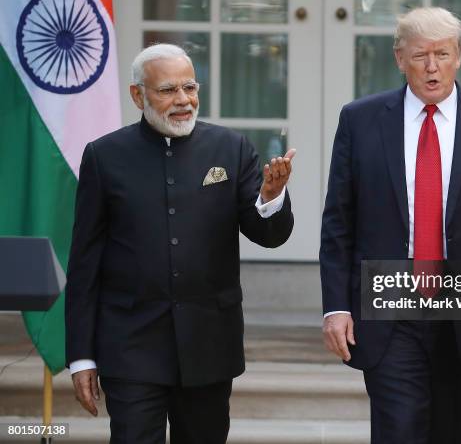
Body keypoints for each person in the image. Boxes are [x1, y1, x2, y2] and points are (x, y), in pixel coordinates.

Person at [320, 7, 461, 444]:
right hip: (388, 300)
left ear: (459, 56)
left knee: (452, 431)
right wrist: (336, 306)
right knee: (398, 430)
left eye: (442, 54)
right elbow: (338, 223)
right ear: (399, 58)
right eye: (420, 55)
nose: (432, 67)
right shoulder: (361, 120)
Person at [65, 43, 295, 443]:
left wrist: (272, 198)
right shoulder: (104, 156)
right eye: (168, 90)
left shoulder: (232, 148)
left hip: (209, 343)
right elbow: (85, 262)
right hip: (130, 344)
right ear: (138, 95)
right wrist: (81, 355)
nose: (183, 101)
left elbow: (269, 236)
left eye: (190, 88)